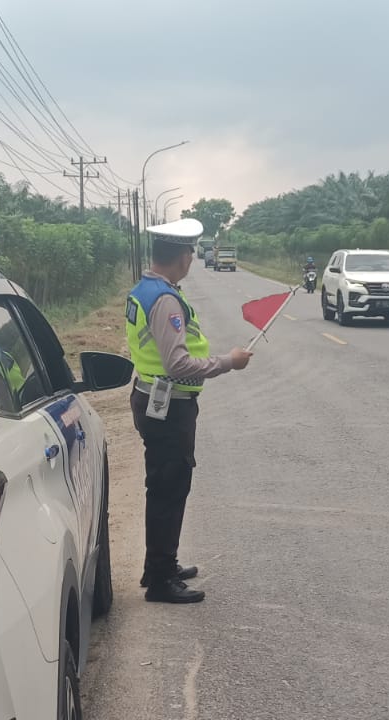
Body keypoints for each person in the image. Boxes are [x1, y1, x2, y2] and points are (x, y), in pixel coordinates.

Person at [126, 217, 254, 603]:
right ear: (183, 256)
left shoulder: (145, 289)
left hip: (153, 398)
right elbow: (179, 363)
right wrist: (228, 362)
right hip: (167, 406)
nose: (192, 260)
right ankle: (162, 580)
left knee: (165, 487)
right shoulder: (165, 301)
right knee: (168, 488)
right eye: (191, 253)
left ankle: (161, 565)